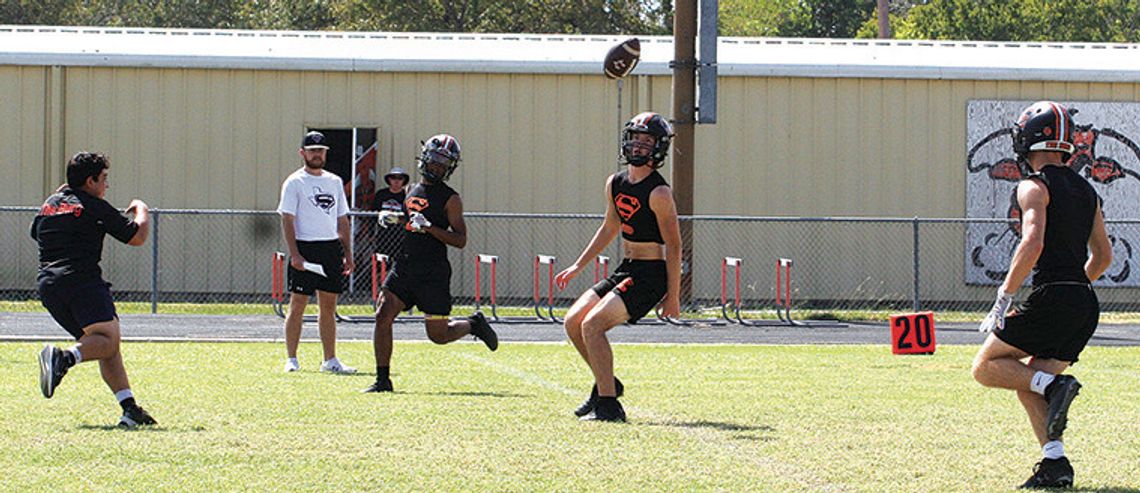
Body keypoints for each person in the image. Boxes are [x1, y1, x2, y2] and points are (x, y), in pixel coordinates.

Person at [972, 101, 1112, 489]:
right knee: (1027, 379)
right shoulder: (1087, 191)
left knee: (985, 367)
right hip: (1084, 302)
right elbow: (1103, 256)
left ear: (1031, 137)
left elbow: (1031, 243)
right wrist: (1075, 289)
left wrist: (1004, 296)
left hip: (1052, 294)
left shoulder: (1033, 185)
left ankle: (1054, 388)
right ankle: (1056, 465)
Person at [553, 112, 682, 422]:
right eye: (635, 138)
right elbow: (609, 228)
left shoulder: (660, 193)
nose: (638, 146)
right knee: (573, 322)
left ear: (659, 148)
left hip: (650, 274)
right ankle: (606, 383)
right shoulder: (615, 183)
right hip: (626, 267)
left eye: (647, 141)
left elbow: (674, 246)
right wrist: (577, 266)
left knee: (592, 326)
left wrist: (673, 295)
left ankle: (609, 405)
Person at [363, 134, 498, 393]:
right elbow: (410, 221)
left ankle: (474, 324)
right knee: (382, 315)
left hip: (432, 272)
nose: (437, 167)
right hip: (404, 265)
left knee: (438, 336)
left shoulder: (451, 199)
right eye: (435, 160)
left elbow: (460, 240)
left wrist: (430, 228)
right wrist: (394, 219)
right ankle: (383, 380)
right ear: (425, 157)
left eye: (443, 163)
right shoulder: (410, 188)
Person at [32, 151, 157, 428]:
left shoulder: (50, 204)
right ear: (90, 181)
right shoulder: (92, 205)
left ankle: (130, 408)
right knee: (107, 341)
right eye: (104, 179)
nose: (106, 185)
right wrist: (141, 209)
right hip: (82, 281)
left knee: (103, 343)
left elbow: (36, 232)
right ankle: (62, 358)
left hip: (49, 286)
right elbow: (136, 236)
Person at [277, 130, 356, 374]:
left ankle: (330, 359)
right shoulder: (295, 182)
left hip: (329, 247)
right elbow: (287, 219)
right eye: (312, 151)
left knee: (328, 306)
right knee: (298, 304)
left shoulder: (333, 182)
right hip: (305, 246)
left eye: (320, 151)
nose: (316, 155)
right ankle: (292, 358)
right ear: (303, 153)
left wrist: (348, 253)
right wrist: (296, 255)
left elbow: (342, 218)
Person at [374, 167, 410, 258]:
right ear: (389, 179)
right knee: (382, 264)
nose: (396, 181)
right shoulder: (381, 194)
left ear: (404, 180)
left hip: (401, 237)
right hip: (383, 236)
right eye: (394, 178)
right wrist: (370, 234)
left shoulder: (407, 196)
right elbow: (373, 213)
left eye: (400, 178)